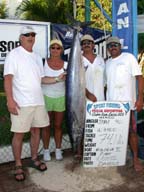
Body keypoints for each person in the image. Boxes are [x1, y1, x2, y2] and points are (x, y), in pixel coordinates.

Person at [3, 26, 65, 182]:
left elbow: (42, 80)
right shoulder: (13, 54)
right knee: (18, 134)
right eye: (27, 35)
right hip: (21, 103)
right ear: (21, 38)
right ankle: (18, 164)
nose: (30, 37)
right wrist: (10, 99)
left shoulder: (37, 57)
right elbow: (8, 78)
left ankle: (34, 158)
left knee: (36, 131)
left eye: (32, 34)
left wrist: (58, 78)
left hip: (38, 101)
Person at [105, 36, 144, 172]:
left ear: (120, 46)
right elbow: (106, 85)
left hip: (127, 104)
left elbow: (139, 78)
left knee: (132, 132)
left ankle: (135, 159)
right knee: (115, 132)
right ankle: (117, 158)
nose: (113, 47)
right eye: (110, 45)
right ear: (108, 49)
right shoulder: (107, 63)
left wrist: (140, 99)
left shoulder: (129, 58)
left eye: (115, 44)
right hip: (111, 106)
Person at [42, 39, 67, 161]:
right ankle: (46, 151)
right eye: (53, 47)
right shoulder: (43, 63)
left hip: (61, 97)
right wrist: (57, 78)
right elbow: (41, 79)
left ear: (61, 50)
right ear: (49, 49)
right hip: (45, 97)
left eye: (58, 48)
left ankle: (58, 149)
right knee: (46, 126)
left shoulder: (67, 64)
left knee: (58, 125)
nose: (55, 50)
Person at [81, 34, 105, 102]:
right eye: (84, 43)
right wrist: (87, 94)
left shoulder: (100, 59)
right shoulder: (78, 60)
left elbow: (104, 80)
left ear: (93, 45)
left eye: (89, 43)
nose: (86, 45)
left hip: (100, 99)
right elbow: (76, 82)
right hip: (84, 99)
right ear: (81, 47)